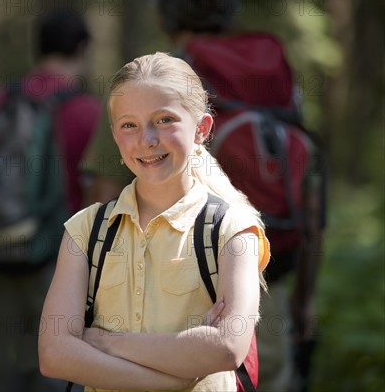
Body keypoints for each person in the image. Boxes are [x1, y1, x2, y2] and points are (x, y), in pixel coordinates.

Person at [81, 0, 325, 390]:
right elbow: (310, 208)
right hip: (271, 278)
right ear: (230, 14)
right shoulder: (270, 77)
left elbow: (103, 196)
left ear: (163, 17)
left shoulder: (150, 80)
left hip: (169, 285)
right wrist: (304, 301)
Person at [39, 52, 270, 391]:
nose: (147, 140)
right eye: (129, 125)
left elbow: (227, 347)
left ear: (201, 129)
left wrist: (101, 341)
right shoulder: (85, 230)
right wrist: (178, 372)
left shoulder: (234, 229)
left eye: (164, 120)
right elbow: (54, 354)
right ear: (116, 137)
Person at [0, 10, 101, 392]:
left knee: (3, 370)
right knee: (59, 372)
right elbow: (99, 202)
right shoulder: (87, 113)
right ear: (83, 49)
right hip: (60, 265)